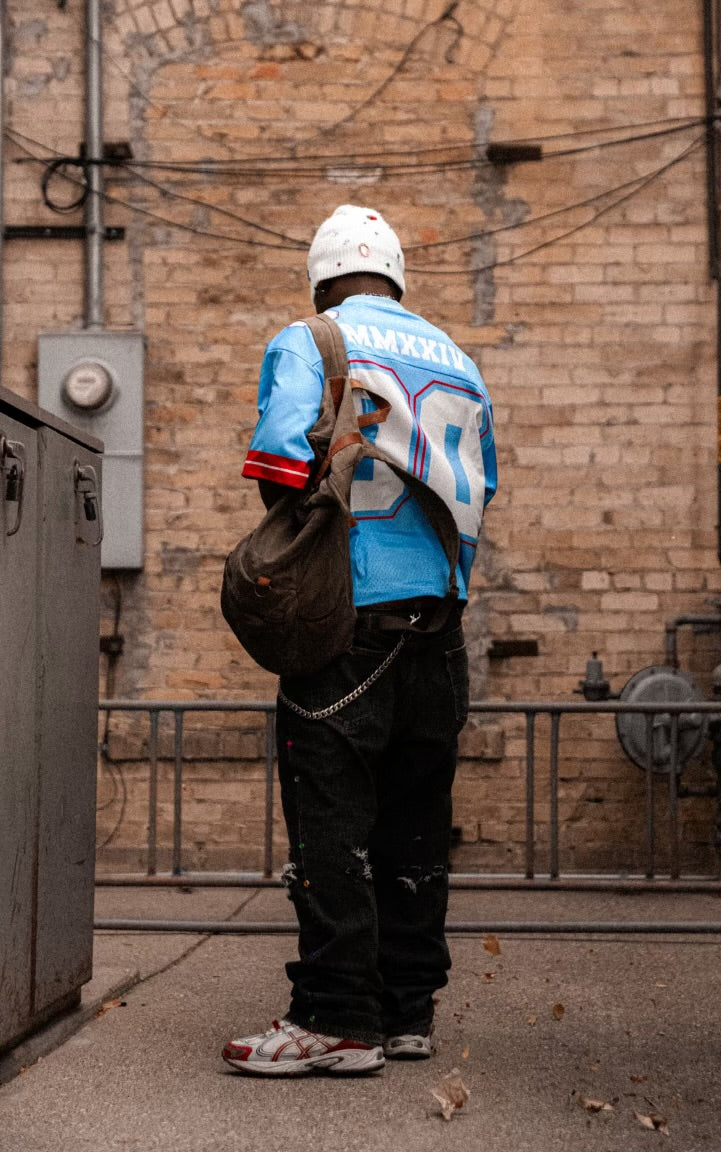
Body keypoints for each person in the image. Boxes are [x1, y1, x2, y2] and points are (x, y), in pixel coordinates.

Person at [222, 204, 497, 1076]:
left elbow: (278, 467)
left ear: (323, 277)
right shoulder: (460, 360)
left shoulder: (313, 339)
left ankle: (336, 1017)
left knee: (330, 824)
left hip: (350, 625)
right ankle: (406, 1009)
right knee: (416, 823)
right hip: (439, 630)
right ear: (398, 276)